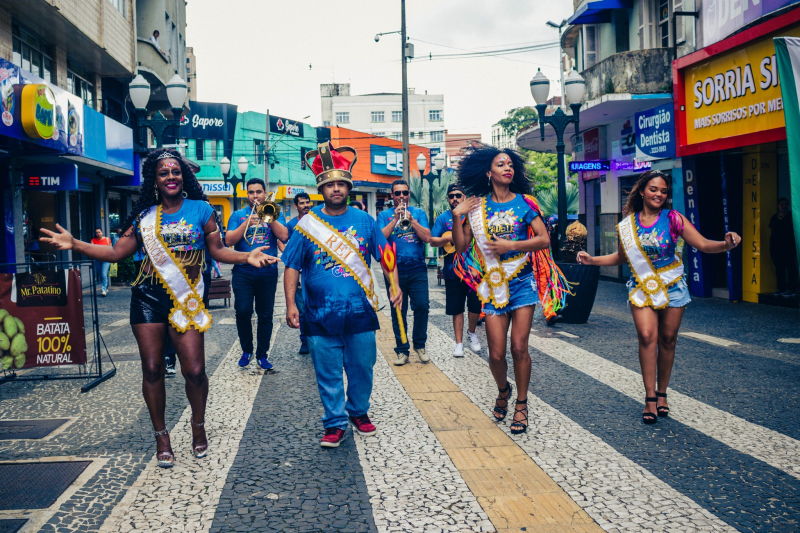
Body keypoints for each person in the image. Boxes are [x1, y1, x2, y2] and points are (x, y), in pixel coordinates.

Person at [39, 148, 276, 467]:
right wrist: (76, 244)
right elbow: (115, 253)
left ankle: (198, 425)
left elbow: (217, 251)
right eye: (164, 173)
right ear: (155, 178)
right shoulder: (143, 217)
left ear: (184, 176)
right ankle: (161, 436)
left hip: (186, 298)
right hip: (148, 297)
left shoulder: (202, 210)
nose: (171, 177)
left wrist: (246, 256)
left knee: (194, 371)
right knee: (151, 369)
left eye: (176, 172)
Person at [577, 170, 740, 424]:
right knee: (646, 336)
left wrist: (726, 244)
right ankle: (650, 398)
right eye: (654, 189)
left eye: (663, 191)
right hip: (642, 286)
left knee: (667, 339)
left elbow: (704, 244)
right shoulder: (628, 225)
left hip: (672, 285)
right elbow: (621, 257)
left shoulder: (673, 218)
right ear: (642, 191)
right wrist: (592, 260)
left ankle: (663, 393)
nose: (659, 194)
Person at [283, 142, 401, 448]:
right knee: (328, 370)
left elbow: (385, 255)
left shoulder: (365, 221)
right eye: (330, 184)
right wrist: (289, 305)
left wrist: (394, 285)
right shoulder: (306, 224)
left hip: (360, 311)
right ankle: (334, 422)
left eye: (341, 184)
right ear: (322, 189)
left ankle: (358, 411)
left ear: (348, 187)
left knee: (363, 365)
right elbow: (292, 266)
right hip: (319, 312)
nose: (336, 189)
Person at [452, 144, 564, 435]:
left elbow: (543, 240)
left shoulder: (525, 203)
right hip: (492, 286)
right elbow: (462, 247)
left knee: (519, 347)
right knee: (497, 354)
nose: (507, 168)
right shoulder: (476, 207)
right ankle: (504, 389)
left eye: (510, 164)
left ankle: (522, 404)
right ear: (489, 172)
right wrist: (456, 216)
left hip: (521, 282)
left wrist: (511, 245)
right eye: (501, 164)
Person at [226, 179, 288, 371]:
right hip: (243, 271)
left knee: (266, 314)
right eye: (251, 192)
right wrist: (246, 223)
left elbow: (284, 236)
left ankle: (262, 354)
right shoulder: (238, 215)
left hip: (267, 272)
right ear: (247, 195)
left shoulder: (274, 212)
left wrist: (269, 216)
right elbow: (228, 240)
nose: (255, 196)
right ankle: (246, 350)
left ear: (264, 193)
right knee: (243, 310)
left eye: (258, 192)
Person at [376, 179, 431, 365]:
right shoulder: (384, 215)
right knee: (398, 310)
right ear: (392, 195)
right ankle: (402, 350)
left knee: (422, 306)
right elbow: (379, 239)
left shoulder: (419, 213)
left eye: (404, 193)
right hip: (393, 270)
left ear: (409, 195)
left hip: (417, 268)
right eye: (397, 193)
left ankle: (419, 344)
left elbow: (427, 237)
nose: (401, 196)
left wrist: (412, 221)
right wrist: (395, 220)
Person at [430, 183, 481, 357]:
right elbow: (432, 240)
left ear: (464, 197)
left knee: (475, 306)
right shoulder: (443, 218)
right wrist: (452, 237)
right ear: (447, 198)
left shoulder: (474, 216)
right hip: (452, 270)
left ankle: (472, 333)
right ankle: (458, 344)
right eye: (451, 196)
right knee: (456, 308)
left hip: (474, 271)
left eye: (458, 195)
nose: (455, 199)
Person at [280, 192, 313, 354]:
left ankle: (317, 338)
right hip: (299, 273)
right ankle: (305, 340)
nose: (306, 205)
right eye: (302, 203)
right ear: (295, 206)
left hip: (315, 271)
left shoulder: (317, 221)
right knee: (302, 308)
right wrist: (290, 257)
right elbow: (281, 240)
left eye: (308, 202)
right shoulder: (292, 225)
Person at [770, 197, 797, 297]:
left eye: (786, 204)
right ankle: (780, 288)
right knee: (779, 267)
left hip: (789, 245)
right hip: (776, 246)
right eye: (782, 204)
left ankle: (792, 289)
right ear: (778, 206)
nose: (784, 206)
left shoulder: (791, 216)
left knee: (790, 267)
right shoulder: (774, 217)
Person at [90, 228, 112, 296]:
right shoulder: (93, 240)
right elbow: (92, 250)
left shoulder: (107, 240)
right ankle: (106, 286)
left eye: (99, 232)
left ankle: (103, 290)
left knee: (103, 274)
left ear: (102, 232)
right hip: (98, 260)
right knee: (101, 275)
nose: (98, 234)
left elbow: (111, 249)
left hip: (106, 260)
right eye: (96, 233)